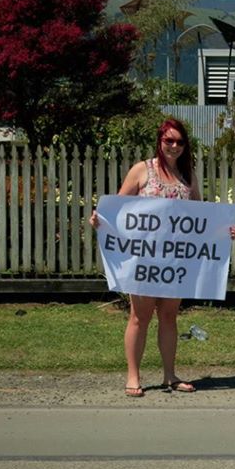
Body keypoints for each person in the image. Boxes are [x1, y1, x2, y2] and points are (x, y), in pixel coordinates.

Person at [91, 118, 209, 397]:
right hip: (142, 260)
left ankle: (170, 375)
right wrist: (100, 219)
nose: (175, 146)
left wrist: (220, 229)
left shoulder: (187, 176)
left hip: (174, 261)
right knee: (138, 317)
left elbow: (200, 214)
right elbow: (118, 207)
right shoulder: (142, 170)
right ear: (159, 141)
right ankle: (133, 376)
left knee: (169, 317)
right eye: (169, 140)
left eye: (180, 141)